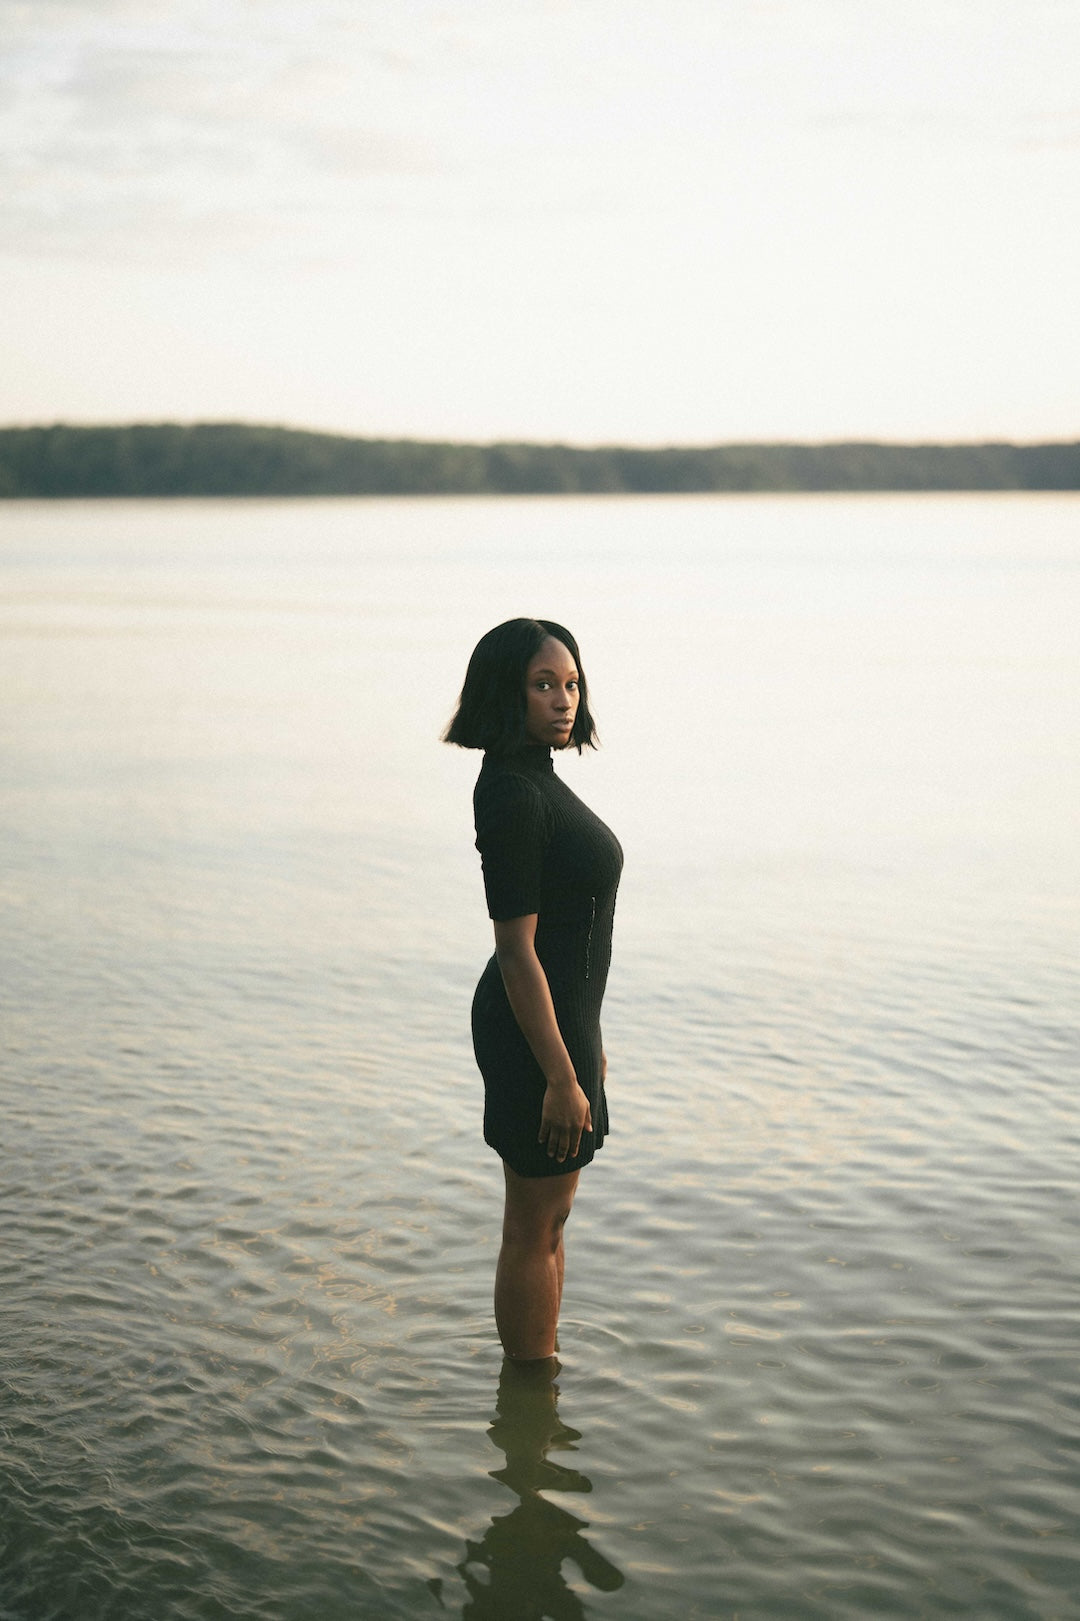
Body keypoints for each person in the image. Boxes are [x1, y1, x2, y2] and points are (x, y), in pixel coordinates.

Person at [444, 619, 623, 1361]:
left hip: (560, 1027)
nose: (564, 700)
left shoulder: (537, 778)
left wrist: (590, 1048)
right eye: (543, 684)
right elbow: (518, 951)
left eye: (572, 683)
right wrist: (558, 1072)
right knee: (532, 1222)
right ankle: (529, 1389)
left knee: (552, 1218)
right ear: (505, 693)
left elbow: (569, 938)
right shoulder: (514, 792)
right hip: (531, 1032)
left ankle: (539, 1398)